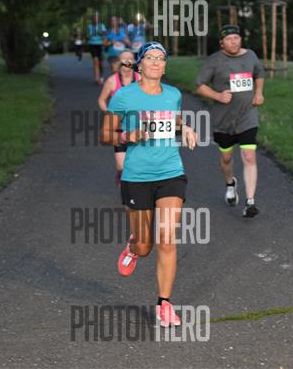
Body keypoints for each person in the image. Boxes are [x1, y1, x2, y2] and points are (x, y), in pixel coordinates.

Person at [101, 41, 197, 327]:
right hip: (137, 177)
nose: (156, 62)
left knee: (167, 238)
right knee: (145, 246)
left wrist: (186, 128)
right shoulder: (124, 96)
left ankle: (164, 303)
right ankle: (133, 248)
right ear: (139, 65)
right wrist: (126, 137)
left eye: (161, 58)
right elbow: (105, 134)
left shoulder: (173, 94)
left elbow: (175, 119)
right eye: (150, 57)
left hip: (170, 172)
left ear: (165, 67)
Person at [195, 25, 265, 218]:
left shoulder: (250, 56)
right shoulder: (215, 60)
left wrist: (259, 92)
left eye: (236, 38)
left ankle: (250, 202)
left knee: (249, 156)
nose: (233, 42)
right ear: (221, 43)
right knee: (226, 157)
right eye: (229, 39)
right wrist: (217, 96)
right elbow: (199, 85)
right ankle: (230, 183)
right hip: (223, 120)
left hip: (247, 116)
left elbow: (259, 73)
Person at [97, 50, 140, 184]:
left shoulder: (141, 79)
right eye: (124, 58)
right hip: (118, 129)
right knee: (122, 167)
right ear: (119, 61)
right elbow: (101, 100)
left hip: (137, 128)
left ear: (134, 61)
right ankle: (123, 183)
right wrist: (110, 114)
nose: (127, 61)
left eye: (130, 58)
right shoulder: (112, 81)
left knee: (137, 165)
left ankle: (137, 188)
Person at [87, 14, 108, 84]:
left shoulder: (102, 26)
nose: (95, 19)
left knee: (100, 63)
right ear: (92, 19)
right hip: (92, 45)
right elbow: (88, 35)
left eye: (96, 18)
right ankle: (96, 78)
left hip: (100, 45)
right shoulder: (89, 27)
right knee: (95, 61)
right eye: (94, 18)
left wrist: (104, 41)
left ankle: (101, 76)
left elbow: (105, 36)